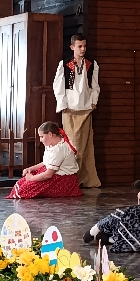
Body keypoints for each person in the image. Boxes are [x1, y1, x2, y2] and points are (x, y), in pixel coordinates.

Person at [53, 34, 100, 188]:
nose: (83, 49)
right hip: (70, 109)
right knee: (73, 145)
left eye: (84, 46)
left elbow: (95, 85)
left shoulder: (91, 64)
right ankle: (70, 179)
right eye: (79, 46)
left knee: (85, 145)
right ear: (72, 47)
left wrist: (93, 101)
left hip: (86, 109)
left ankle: (85, 179)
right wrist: (63, 104)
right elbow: (58, 86)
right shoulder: (64, 64)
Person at [6, 122, 82, 199]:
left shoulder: (59, 149)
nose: (40, 140)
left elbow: (48, 174)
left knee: (25, 190)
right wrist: (30, 169)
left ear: (50, 134)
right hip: (52, 173)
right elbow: (46, 162)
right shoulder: (51, 144)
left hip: (63, 179)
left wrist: (32, 178)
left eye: (42, 137)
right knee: (21, 183)